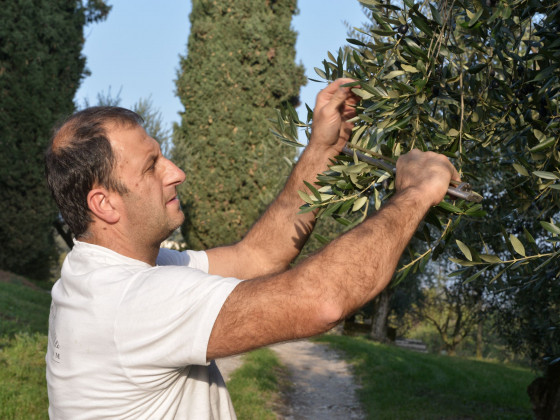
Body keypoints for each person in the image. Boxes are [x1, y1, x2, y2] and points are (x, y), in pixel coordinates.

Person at [44, 78, 459, 419]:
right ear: (104, 203)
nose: (176, 172)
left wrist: (322, 149)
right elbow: (321, 300)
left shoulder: (105, 272)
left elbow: (258, 257)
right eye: (151, 166)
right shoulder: (133, 303)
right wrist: (416, 192)